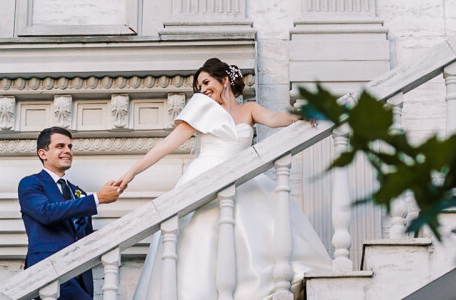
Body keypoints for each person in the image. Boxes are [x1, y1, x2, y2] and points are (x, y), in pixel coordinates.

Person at [120, 58, 333, 300]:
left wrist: (299, 115)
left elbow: (274, 119)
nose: (202, 89)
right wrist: (131, 173)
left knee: (258, 229)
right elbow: (167, 144)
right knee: (201, 236)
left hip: (243, 179)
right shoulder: (201, 111)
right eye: (199, 86)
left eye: (206, 82)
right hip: (205, 178)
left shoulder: (249, 109)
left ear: (224, 80)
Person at [19, 126, 125, 300]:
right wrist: (97, 198)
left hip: (79, 276)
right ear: (43, 154)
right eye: (60, 146)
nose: (67, 151)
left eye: (70, 147)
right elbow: (46, 213)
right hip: (48, 272)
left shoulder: (78, 192)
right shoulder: (31, 183)